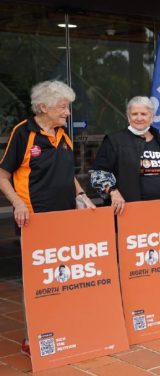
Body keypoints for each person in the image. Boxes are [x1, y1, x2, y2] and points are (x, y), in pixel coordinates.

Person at [0, 80, 95, 357]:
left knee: (64, 276)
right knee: (37, 281)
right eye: (63, 107)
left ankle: (63, 329)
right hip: (35, 221)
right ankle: (33, 338)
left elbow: (69, 177)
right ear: (43, 107)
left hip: (65, 220)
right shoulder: (24, 133)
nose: (67, 113)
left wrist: (82, 197)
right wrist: (17, 203)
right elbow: (3, 176)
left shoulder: (63, 135)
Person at [89, 96, 160, 214]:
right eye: (134, 114)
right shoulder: (114, 140)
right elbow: (98, 173)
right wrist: (113, 192)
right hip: (129, 211)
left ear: (152, 117)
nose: (139, 118)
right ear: (128, 117)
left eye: (144, 114)